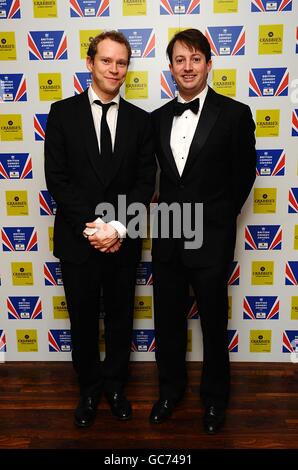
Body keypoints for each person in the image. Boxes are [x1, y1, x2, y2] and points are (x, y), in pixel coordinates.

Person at [44, 31, 156, 427]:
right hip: (79, 240)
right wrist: (94, 228)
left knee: (122, 318)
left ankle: (115, 387)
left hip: (123, 241)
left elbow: (145, 184)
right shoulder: (61, 113)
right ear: (90, 62)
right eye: (106, 60)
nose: (114, 69)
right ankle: (89, 390)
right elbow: (57, 179)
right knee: (84, 319)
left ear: (128, 68)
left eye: (121, 62)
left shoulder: (142, 122)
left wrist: (118, 228)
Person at [149, 29, 256, 434]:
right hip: (168, 238)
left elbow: (244, 175)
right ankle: (170, 391)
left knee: (213, 324)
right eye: (180, 59)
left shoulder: (234, 113)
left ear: (209, 63)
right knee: (168, 323)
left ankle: (214, 400)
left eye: (195, 59)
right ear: (171, 67)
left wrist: (218, 218)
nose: (188, 67)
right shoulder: (157, 118)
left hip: (211, 238)